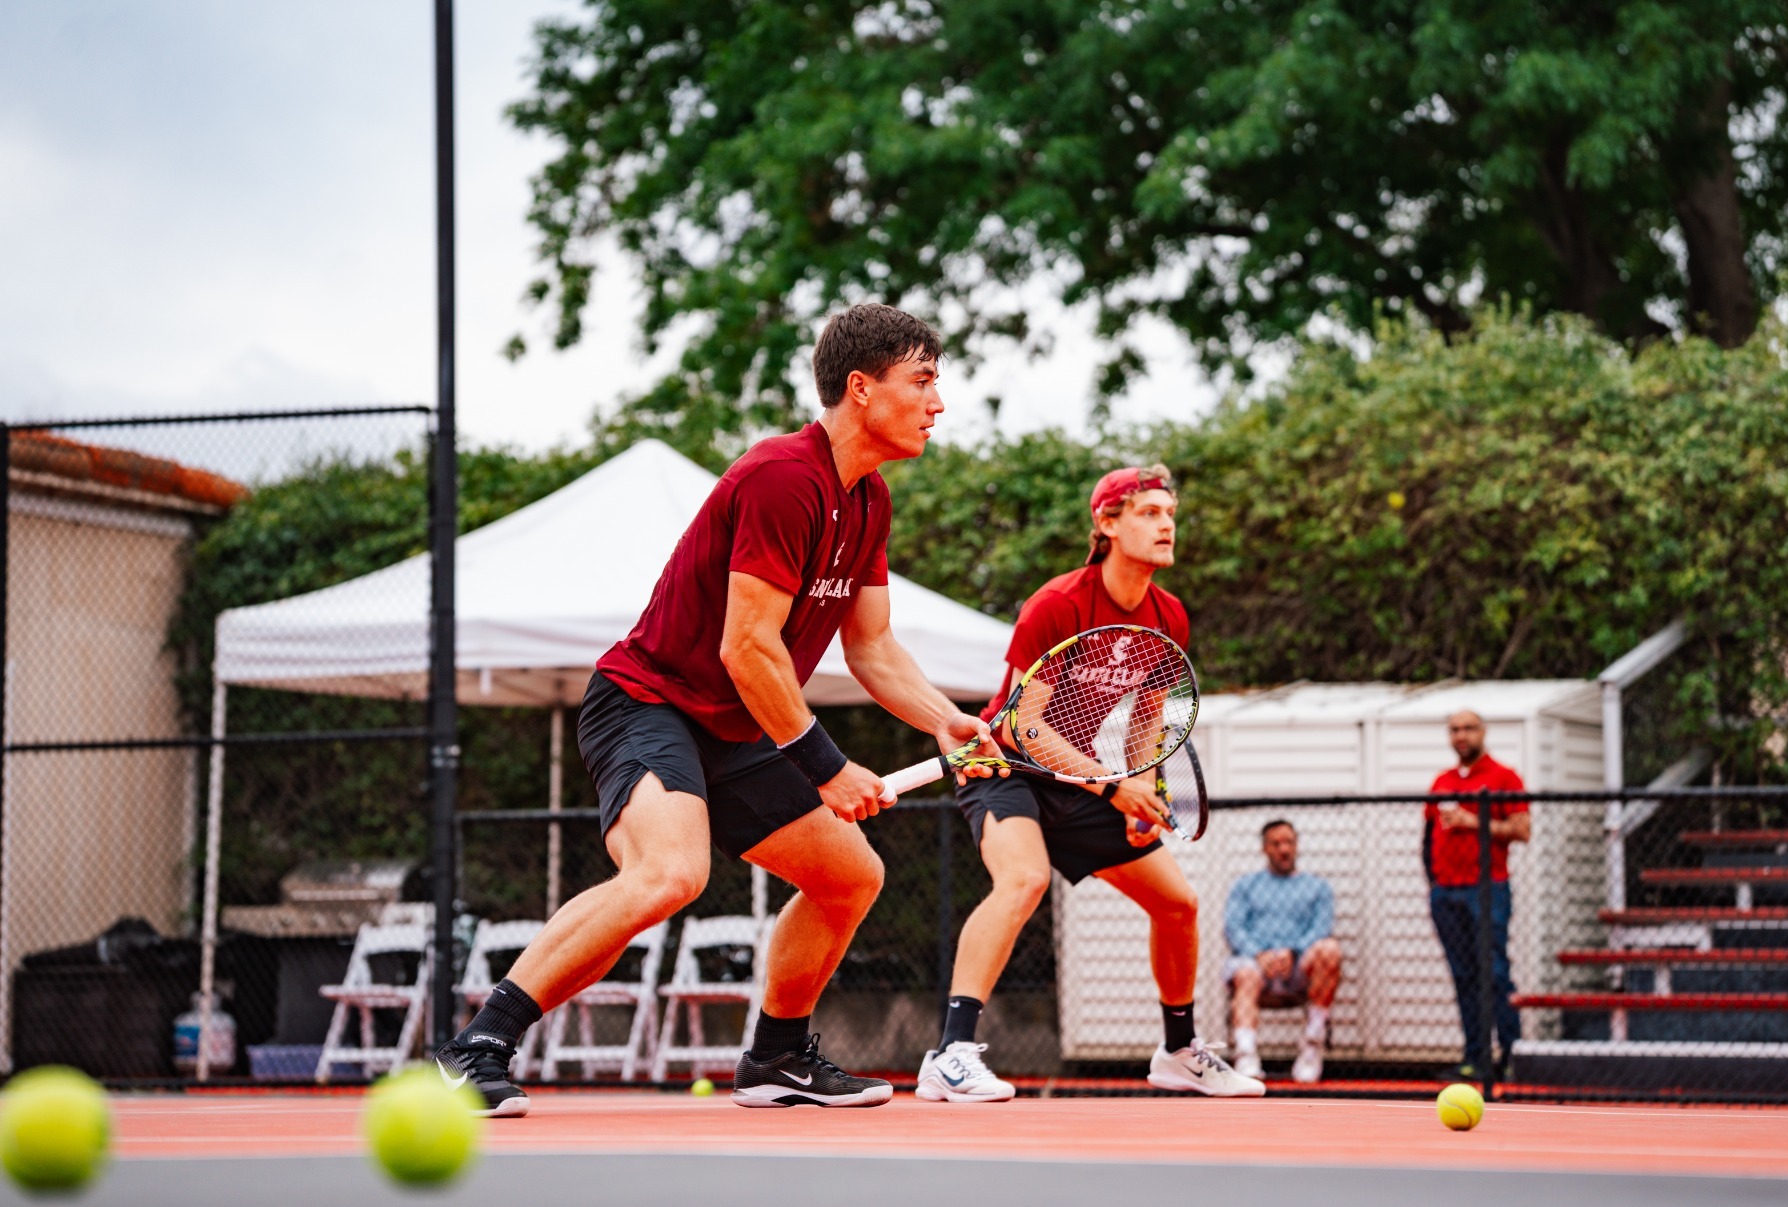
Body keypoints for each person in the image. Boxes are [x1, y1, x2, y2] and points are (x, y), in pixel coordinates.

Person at [434, 304, 1000, 1115]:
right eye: (923, 381)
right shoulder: (782, 476)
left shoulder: (869, 500)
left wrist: (942, 717)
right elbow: (748, 647)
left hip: (736, 724)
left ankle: (776, 1057)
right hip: (648, 701)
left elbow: (872, 648)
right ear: (862, 388)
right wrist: (829, 769)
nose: (938, 402)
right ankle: (476, 1046)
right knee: (670, 872)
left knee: (850, 874)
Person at [914, 464, 1263, 1103]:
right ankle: (951, 1053)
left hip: (1081, 776)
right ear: (1107, 524)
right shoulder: (1058, 604)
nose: (1166, 526)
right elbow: (1021, 726)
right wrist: (1112, 787)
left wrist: (1141, 787)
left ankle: (1179, 1050)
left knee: (1177, 904)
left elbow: (1148, 724)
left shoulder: (1167, 617)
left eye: (1170, 514)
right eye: (1149, 513)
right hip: (1004, 766)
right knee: (1023, 880)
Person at [1424, 710, 1530, 1081]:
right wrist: (1434, 883)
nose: (1462, 735)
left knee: (1494, 971)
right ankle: (1475, 1057)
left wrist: (1475, 820)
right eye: (1455, 729)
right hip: (1446, 893)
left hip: (1487, 889)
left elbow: (1522, 829)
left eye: (1469, 728)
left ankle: (1513, 1055)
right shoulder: (1442, 781)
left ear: (1482, 732)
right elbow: (1428, 834)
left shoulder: (1504, 777)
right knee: (1463, 975)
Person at [1223, 819, 1342, 1083]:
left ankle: (1312, 1046)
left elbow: (1321, 928)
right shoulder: (1246, 886)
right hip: (1255, 966)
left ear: (1297, 845)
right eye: (1276, 843)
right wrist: (1259, 954)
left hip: (1299, 968)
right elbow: (1233, 928)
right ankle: (1246, 1056)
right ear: (1264, 848)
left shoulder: (1317, 888)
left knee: (1330, 950)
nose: (1283, 849)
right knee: (1244, 972)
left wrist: (1293, 951)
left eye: (1289, 842)